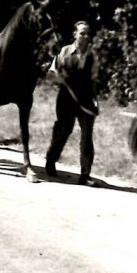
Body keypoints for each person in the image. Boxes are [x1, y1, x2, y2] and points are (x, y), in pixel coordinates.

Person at [45, 20, 100, 185]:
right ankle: (50, 161)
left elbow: (94, 80)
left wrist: (95, 101)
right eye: (82, 33)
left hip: (85, 100)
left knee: (87, 136)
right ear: (75, 34)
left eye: (87, 33)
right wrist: (60, 78)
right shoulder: (64, 51)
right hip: (66, 99)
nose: (85, 36)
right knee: (63, 130)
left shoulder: (93, 56)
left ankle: (85, 174)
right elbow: (51, 74)